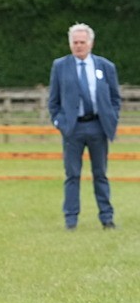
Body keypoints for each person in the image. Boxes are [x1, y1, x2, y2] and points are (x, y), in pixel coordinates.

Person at [47, 23, 121, 230]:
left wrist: (112, 118)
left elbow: (115, 98)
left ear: (90, 43)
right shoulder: (60, 66)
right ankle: (71, 219)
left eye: (82, 42)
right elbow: (53, 100)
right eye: (75, 42)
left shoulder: (105, 67)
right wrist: (59, 122)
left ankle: (107, 218)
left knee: (100, 174)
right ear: (70, 44)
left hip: (98, 126)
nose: (79, 46)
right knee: (72, 174)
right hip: (73, 128)